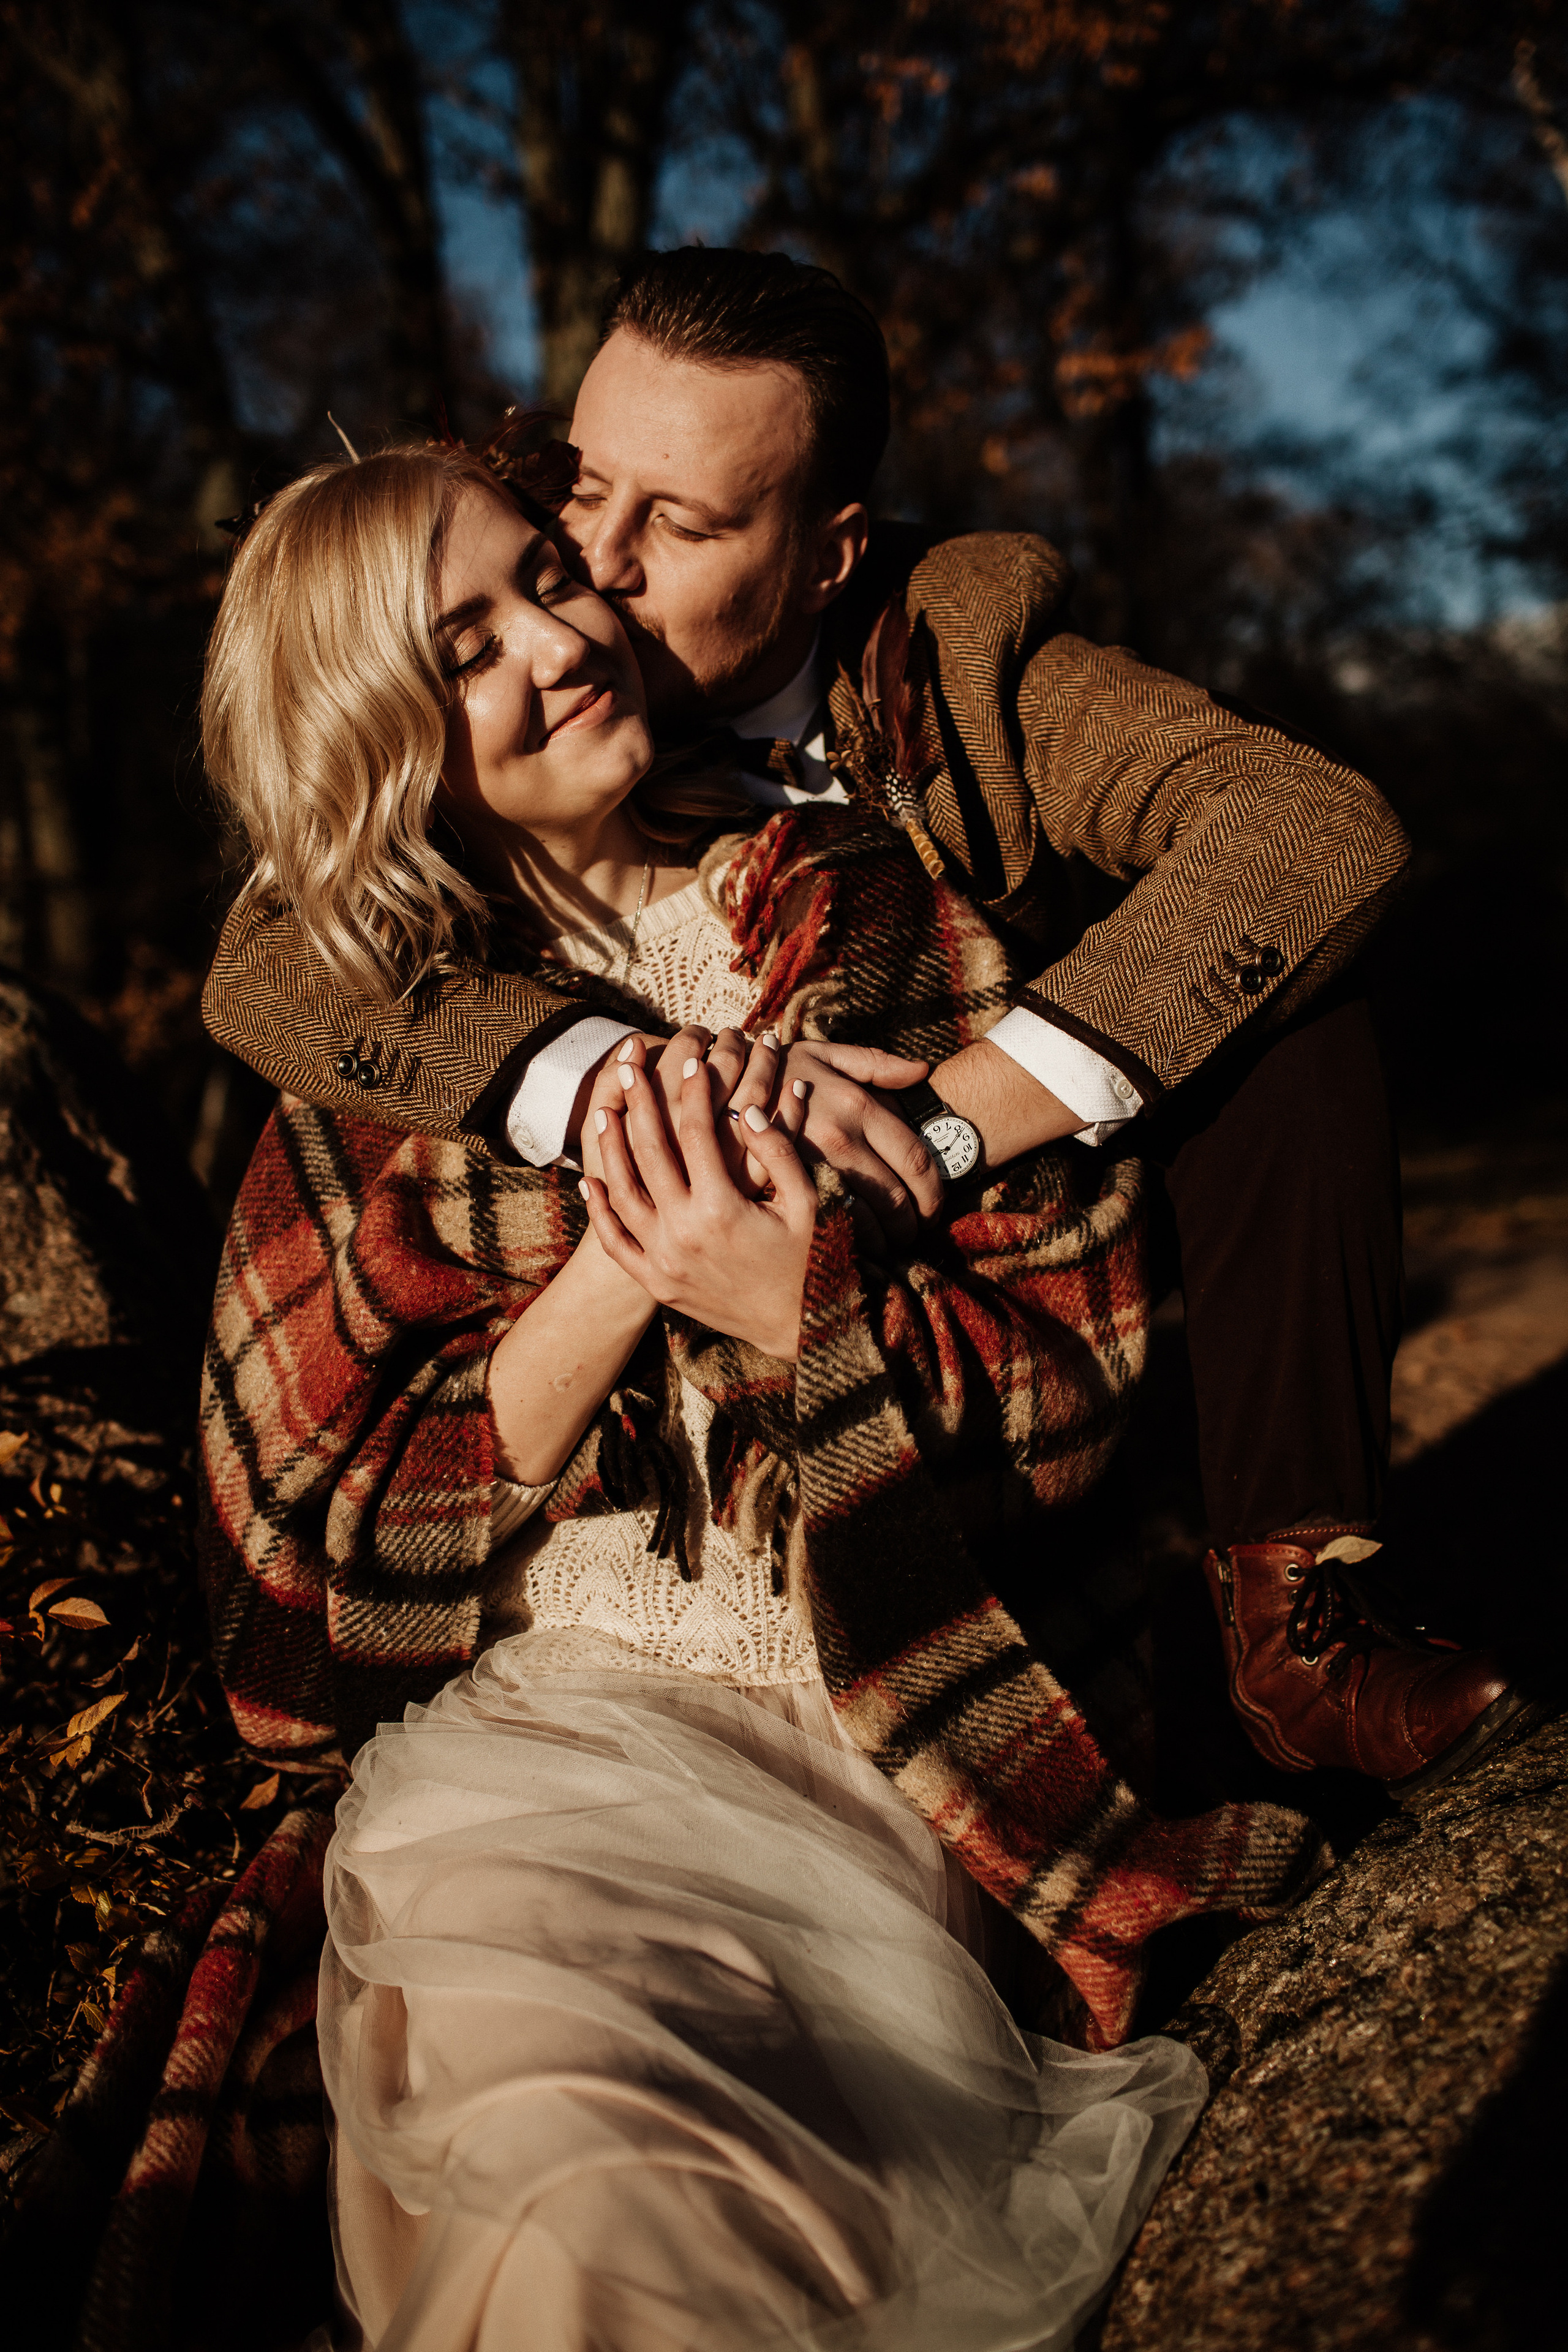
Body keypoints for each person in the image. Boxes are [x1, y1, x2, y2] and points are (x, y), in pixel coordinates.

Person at [196, 437, 1327, 2348]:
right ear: (387, 739)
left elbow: (1075, 1404)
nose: (560, 640)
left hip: (882, 1737)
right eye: (465, 648)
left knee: (733, 2205)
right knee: (574, 2154)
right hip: (541, 1761)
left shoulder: (886, 928)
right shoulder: (375, 1064)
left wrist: (786, 1300)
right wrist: (626, 1271)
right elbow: (288, 1616)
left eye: (549, 578)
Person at [202, 247, 1520, 1799]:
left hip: (1032, 1196)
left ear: (826, 557)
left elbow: (1311, 831)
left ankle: (1294, 1607)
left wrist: (940, 1120)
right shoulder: (519, 642)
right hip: (680, 1388)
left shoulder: (959, 662)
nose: (599, 572)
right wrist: (630, 1082)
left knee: (1299, 1022)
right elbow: (268, 957)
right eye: (582, 492)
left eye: (680, 525)